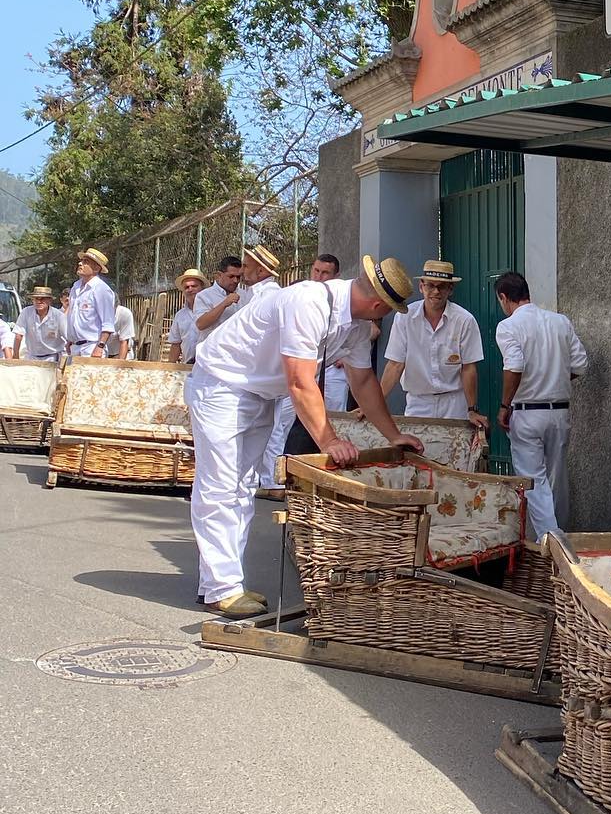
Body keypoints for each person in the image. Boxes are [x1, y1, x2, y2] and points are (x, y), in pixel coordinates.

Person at [187, 253, 421, 617]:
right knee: (219, 486)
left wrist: (393, 435)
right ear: (378, 305)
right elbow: (300, 381)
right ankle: (223, 587)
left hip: (260, 393)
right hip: (222, 385)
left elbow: (363, 381)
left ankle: (219, 582)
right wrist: (329, 440)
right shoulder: (309, 301)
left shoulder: (356, 327)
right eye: (388, 309)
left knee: (241, 487)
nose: (385, 316)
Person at [494, 272, 587, 543]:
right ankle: (560, 537)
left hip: (526, 411)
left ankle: (550, 543)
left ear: (503, 297)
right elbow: (580, 364)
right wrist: (555, 378)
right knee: (557, 478)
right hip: (559, 411)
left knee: (533, 481)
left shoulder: (508, 326)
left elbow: (514, 365)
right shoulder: (560, 322)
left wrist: (504, 405)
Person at [260, 253, 351, 492]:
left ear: (336, 276)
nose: (319, 276)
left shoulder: (344, 303)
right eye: (316, 271)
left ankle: (324, 481)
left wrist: (344, 351)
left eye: (325, 273)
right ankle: (274, 478)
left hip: (333, 372)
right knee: (284, 423)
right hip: (302, 374)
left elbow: (369, 333)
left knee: (332, 421)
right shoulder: (304, 296)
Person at [380, 259, 486, 424]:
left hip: (454, 402)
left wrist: (472, 409)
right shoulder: (404, 317)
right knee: (417, 449)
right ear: (421, 287)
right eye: (430, 285)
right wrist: (375, 405)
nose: (436, 291)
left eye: (441, 286)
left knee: (454, 448)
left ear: (450, 289)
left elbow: (469, 368)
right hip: (418, 401)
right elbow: (395, 365)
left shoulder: (465, 320)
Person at [66, 249, 117, 358]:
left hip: (92, 347)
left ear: (96, 268)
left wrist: (100, 346)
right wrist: (69, 341)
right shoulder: (75, 287)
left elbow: (107, 323)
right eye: (81, 261)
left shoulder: (101, 289)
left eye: (86, 262)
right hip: (75, 347)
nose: (80, 263)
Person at [192, 257, 244, 345]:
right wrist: (224, 304)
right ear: (219, 275)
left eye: (238, 277)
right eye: (231, 276)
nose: (235, 280)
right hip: (211, 352)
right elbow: (201, 324)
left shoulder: (244, 294)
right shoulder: (204, 296)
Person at [15, 286, 67, 362]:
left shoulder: (58, 316)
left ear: (49, 300)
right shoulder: (26, 312)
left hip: (53, 358)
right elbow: (18, 336)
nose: (39, 301)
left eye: (43, 299)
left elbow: (68, 337)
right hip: (31, 357)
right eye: (36, 299)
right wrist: (15, 357)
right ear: (32, 300)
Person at [167, 270, 207, 365]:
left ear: (203, 288)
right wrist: (169, 369)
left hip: (208, 367)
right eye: (186, 287)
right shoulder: (180, 316)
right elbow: (176, 345)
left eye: (194, 286)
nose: (190, 289)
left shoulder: (212, 310)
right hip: (187, 366)